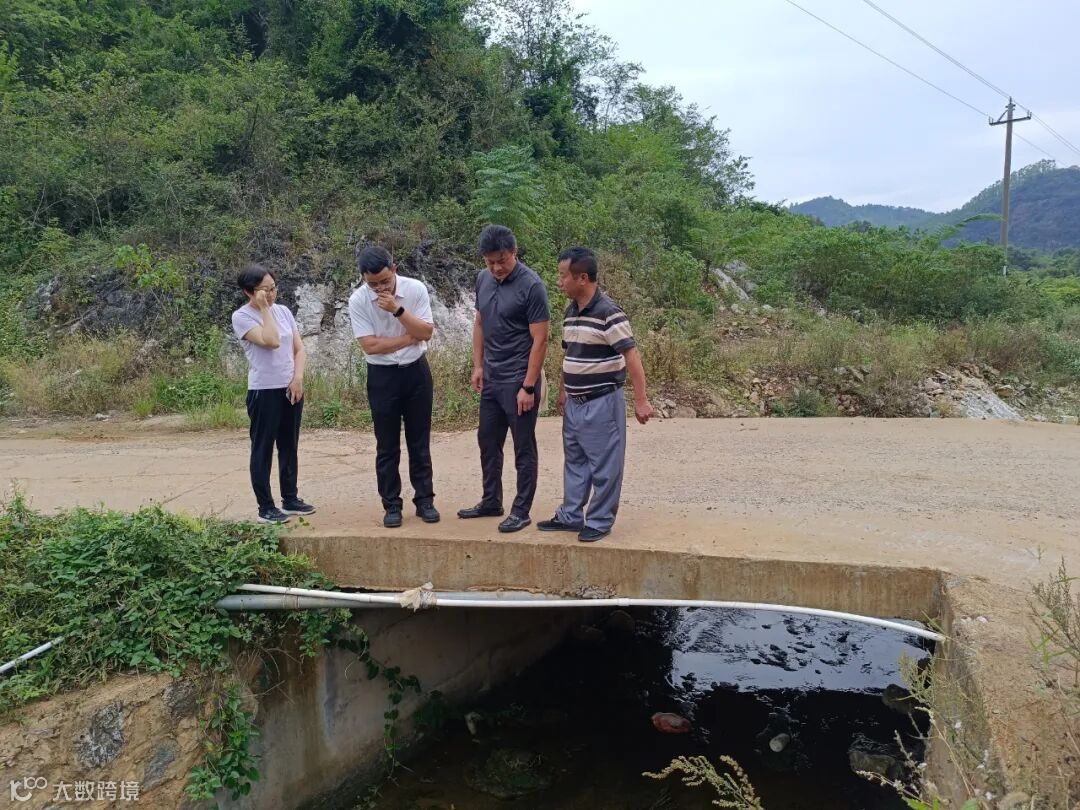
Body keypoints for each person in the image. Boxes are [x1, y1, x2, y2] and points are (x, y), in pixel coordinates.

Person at [538, 247, 653, 542]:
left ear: (583, 278)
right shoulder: (571, 312)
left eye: (563, 276)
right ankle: (570, 516)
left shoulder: (609, 313)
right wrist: (563, 391)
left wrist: (641, 400)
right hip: (574, 403)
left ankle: (600, 520)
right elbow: (570, 356)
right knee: (575, 461)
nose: (559, 282)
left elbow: (632, 355)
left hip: (601, 401)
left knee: (605, 465)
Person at [458, 225, 550, 533]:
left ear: (514, 252)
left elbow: (540, 339)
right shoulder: (483, 279)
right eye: (490, 262)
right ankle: (491, 501)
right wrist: (478, 366)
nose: (496, 268)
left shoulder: (532, 286)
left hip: (519, 379)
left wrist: (528, 386)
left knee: (523, 446)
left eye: (502, 260)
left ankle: (521, 510)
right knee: (487, 440)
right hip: (492, 376)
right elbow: (480, 323)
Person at [348, 245, 439, 528]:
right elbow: (370, 346)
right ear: (363, 278)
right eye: (372, 284)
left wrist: (397, 310)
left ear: (394, 269)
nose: (380, 288)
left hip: (416, 372)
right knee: (386, 445)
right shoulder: (358, 300)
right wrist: (408, 337)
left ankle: (425, 500)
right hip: (382, 376)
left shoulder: (415, 289)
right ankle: (391, 505)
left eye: (385, 281)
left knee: (419, 441)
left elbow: (426, 332)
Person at [231, 265, 316, 524]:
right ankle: (265, 507)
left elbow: (298, 349)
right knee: (263, 448)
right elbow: (272, 341)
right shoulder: (242, 317)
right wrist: (264, 308)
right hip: (264, 390)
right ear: (249, 292)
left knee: (289, 445)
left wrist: (297, 378)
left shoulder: (285, 311)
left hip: (290, 387)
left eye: (273, 288)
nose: (271, 294)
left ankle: (290, 498)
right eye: (264, 290)